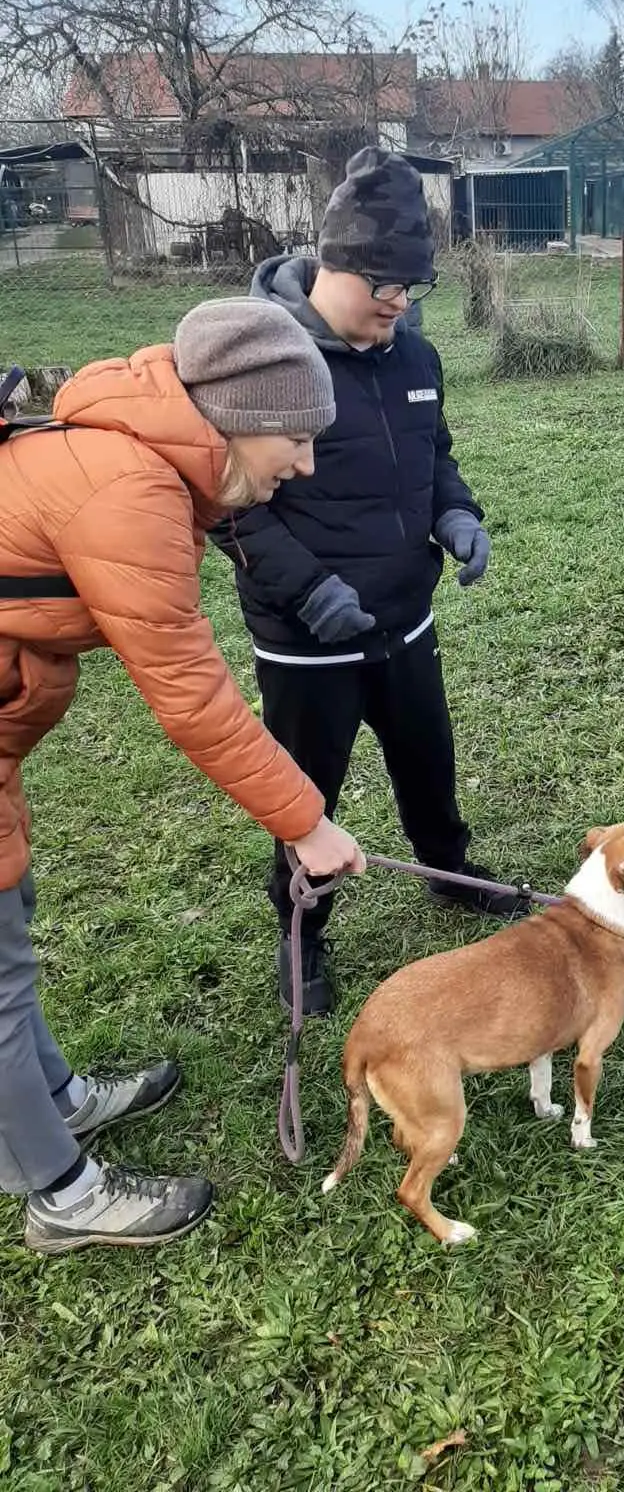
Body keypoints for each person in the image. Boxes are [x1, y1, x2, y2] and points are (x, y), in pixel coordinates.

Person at [0, 298, 365, 1254]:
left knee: (11, 919)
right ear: (238, 421)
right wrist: (306, 820)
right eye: (295, 437)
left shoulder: (136, 457)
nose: (306, 463)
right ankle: (60, 1193)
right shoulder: (131, 491)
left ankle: (55, 1103)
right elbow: (193, 698)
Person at [210, 146, 519, 1021]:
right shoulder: (263, 358)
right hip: (307, 639)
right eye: (385, 285)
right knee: (307, 795)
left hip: (405, 619)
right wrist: (308, 591)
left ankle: (450, 871)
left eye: (411, 289)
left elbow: (437, 457)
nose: (399, 304)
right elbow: (225, 502)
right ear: (336, 263)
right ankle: (302, 938)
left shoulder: (413, 359)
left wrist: (456, 514)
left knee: (429, 763)